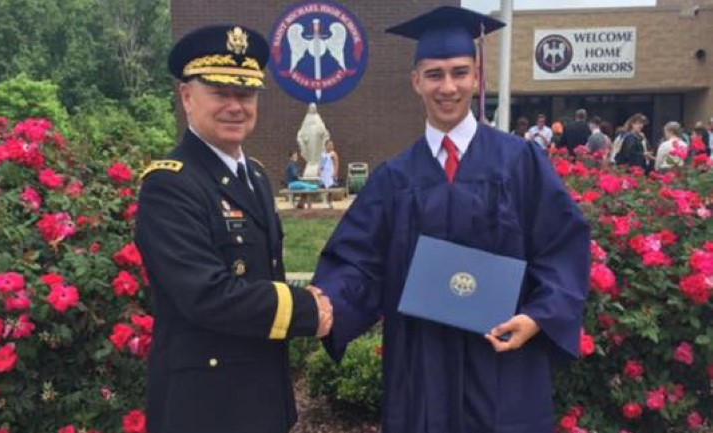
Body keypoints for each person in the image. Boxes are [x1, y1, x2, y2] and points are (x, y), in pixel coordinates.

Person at [311, 6, 590, 433]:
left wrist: (539, 316)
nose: (448, 87)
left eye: (460, 72)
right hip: (421, 362)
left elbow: (561, 245)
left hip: (502, 360)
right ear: (416, 81)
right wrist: (325, 304)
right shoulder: (394, 178)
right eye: (434, 74)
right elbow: (358, 261)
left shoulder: (519, 163)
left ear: (477, 77)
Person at [134, 24, 332, 433]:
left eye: (245, 94)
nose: (235, 106)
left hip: (261, 395)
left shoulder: (255, 176)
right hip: (205, 407)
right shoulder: (170, 185)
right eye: (220, 92)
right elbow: (206, 294)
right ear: (187, 97)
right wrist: (305, 309)